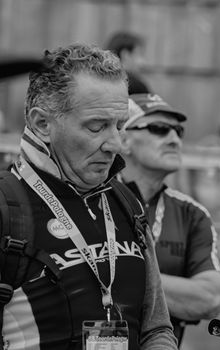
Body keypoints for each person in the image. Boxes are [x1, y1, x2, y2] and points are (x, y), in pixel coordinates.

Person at [0, 44, 177, 349]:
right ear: (43, 124)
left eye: (119, 126)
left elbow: (156, 328)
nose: (116, 144)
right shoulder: (6, 208)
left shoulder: (125, 202)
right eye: (97, 127)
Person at [120, 93, 220, 344]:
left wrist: (117, 274)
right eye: (159, 129)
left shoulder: (192, 214)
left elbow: (209, 299)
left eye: (178, 131)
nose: (174, 139)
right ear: (123, 140)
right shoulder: (89, 202)